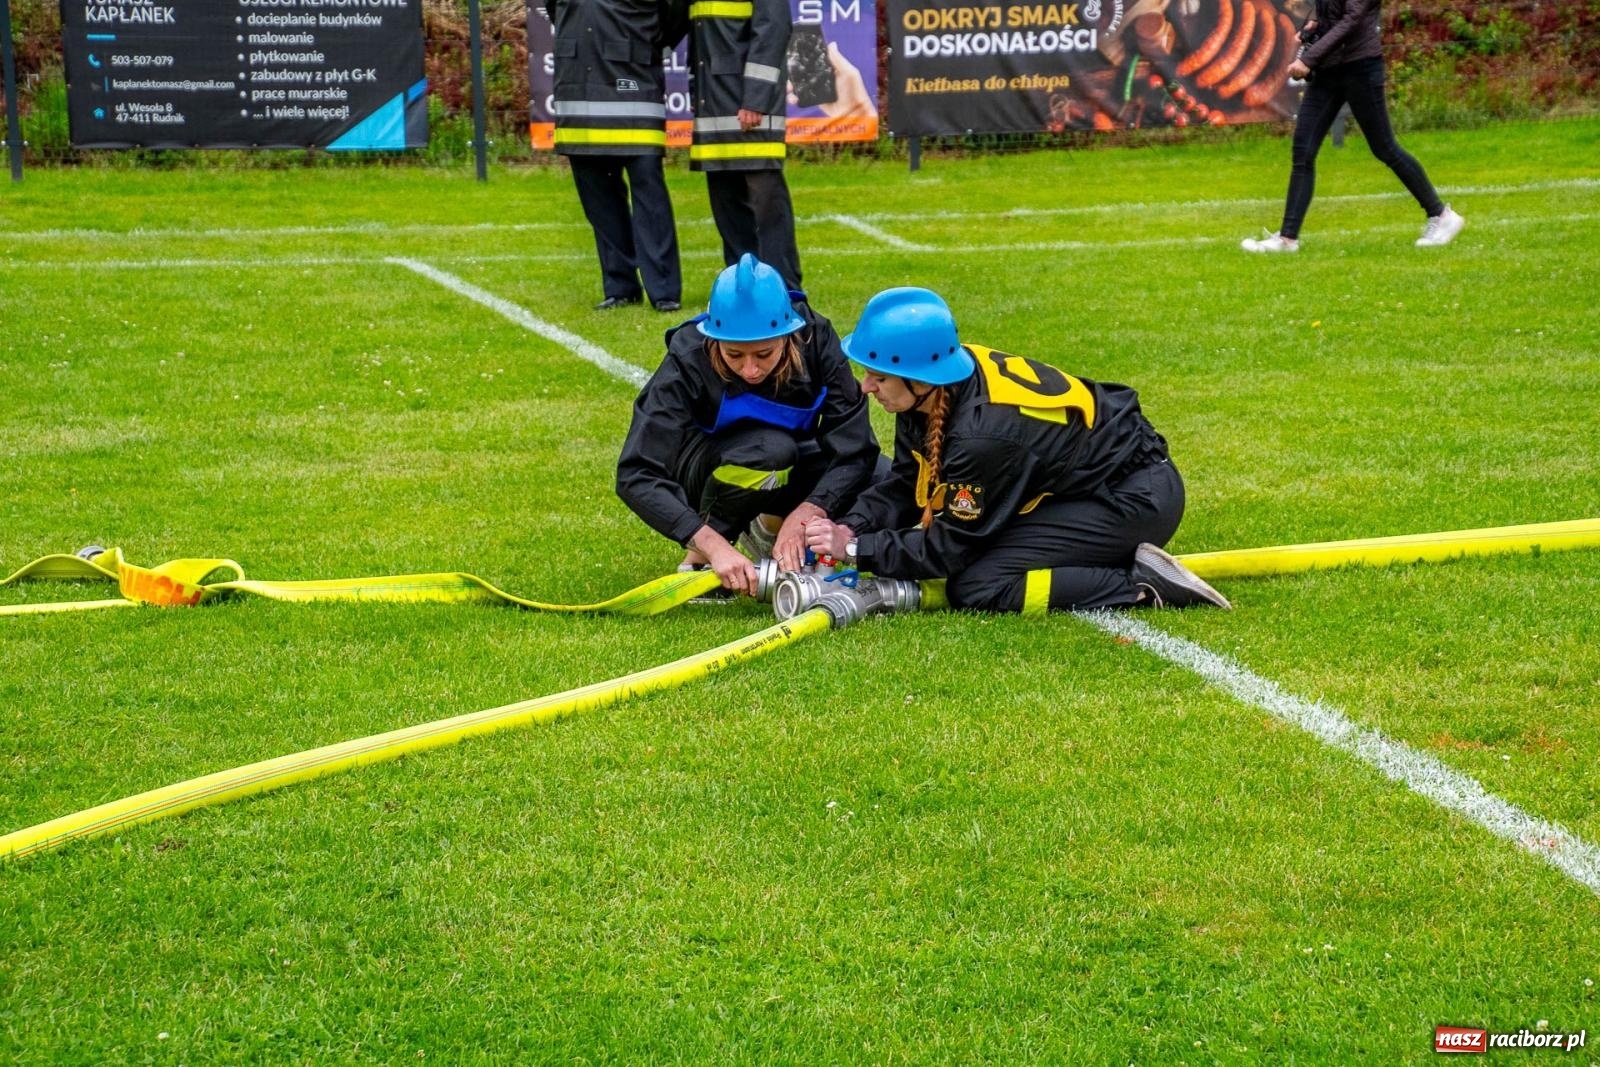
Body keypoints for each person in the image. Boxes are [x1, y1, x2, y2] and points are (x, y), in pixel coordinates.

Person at [803, 287, 1231, 613]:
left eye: (877, 376)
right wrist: (850, 527)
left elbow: (949, 549)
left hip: (1134, 497)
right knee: (982, 555)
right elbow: (905, 483)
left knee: (976, 584)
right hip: (1093, 483)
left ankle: (1139, 585)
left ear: (918, 377)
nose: (865, 387)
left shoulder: (981, 436)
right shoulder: (932, 388)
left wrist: (857, 551)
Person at [616, 254, 879, 596]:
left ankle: (776, 527)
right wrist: (709, 542)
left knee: (883, 479)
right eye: (734, 355)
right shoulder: (687, 357)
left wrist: (807, 512)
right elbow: (635, 472)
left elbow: (856, 449)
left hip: (792, 461)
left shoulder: (817, 340)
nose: (751, 370)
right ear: (713, 339)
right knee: (770, 452)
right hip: (711, 469)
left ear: (789, 335)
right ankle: (702, 559)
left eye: (764, 354)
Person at [1241, 0, 1464, 253]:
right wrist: (1313, 28)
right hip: (1328, 70)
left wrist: (1309, 59)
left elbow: (1353, 18)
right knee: (1303, 151)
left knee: (1385, 148)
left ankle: (1441, 215)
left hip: (1360, 68)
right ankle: (1287, 239)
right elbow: (1333, 12)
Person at [546, 0, 683, 311]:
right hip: (578, 87)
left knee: (650, 198)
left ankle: (664, 291)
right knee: (599, 199)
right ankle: (620, 287)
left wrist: (643, 39)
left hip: (634, 80)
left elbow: (673, 14)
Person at [674, 0, 803, 288]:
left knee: (767, 204)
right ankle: (742, 285)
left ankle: (785, 286)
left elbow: (772, 31)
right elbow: (698, 41)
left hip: (748, 106)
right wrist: (697, 92)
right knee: (725, 202)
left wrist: (756, 99)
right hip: (714, 105)